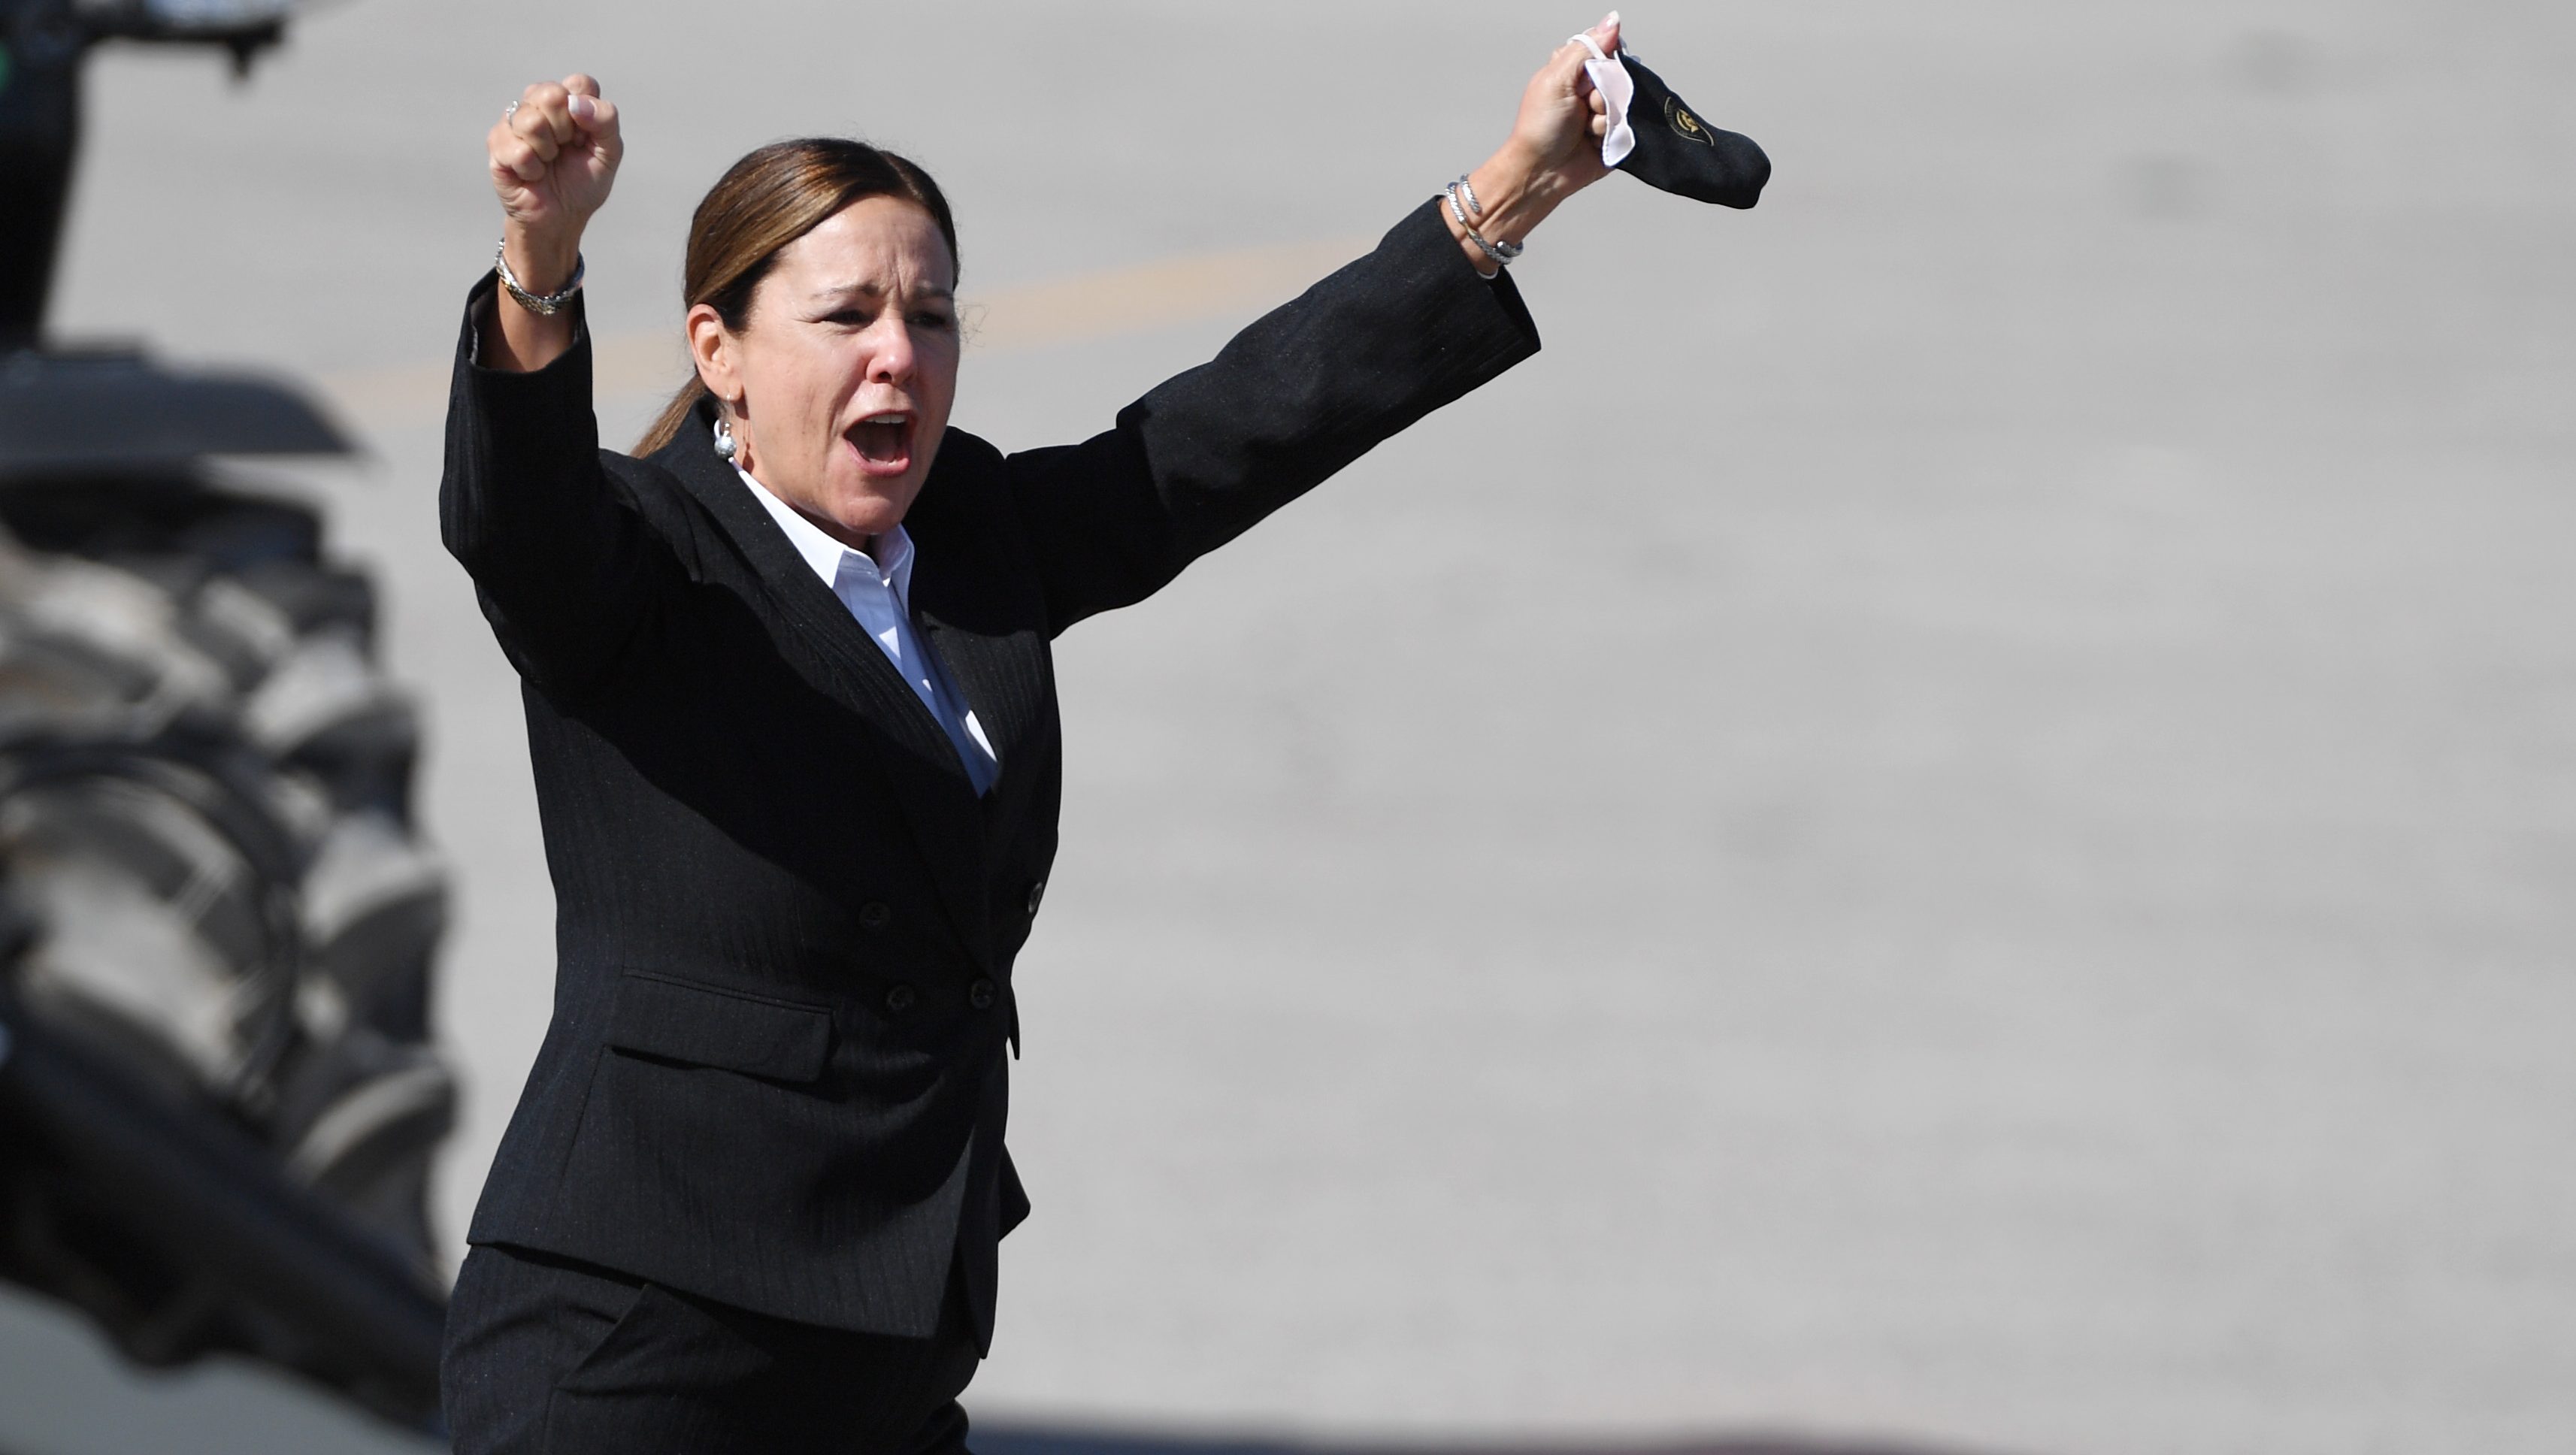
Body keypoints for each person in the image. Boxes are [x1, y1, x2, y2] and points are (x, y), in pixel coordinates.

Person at [441, 15, 1639, 1453]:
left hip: (890, 1339)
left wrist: (1511, 192)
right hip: (640, 1341)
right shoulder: (640, 563)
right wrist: (540, 268)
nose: (899, 357)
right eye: (845, 320)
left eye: (931, 317)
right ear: (722, 352)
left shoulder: (972, 540)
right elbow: (516, 512)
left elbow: (1222, 438)